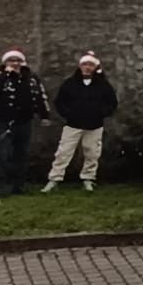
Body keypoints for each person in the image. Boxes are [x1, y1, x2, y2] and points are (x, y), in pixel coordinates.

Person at [43, 51, 117, 193]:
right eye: (85, 64)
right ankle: (54, 179)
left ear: (95, 67)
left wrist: (100, 113)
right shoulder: (70, 83)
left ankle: (88, 179)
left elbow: (112, 103)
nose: (87, 67)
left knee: (92, 153)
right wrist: (69, 114)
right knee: (63, 152)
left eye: (90, 65)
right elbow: (60, 102)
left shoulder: (103, 85)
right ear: (80, 66)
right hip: (73, 124)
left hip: (94, 126)